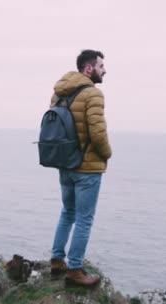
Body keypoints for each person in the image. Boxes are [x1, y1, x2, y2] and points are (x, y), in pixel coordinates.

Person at [49, 49, 112, 287]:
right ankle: (74, 269)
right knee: (84, 219)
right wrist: (107, 154)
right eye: (101, 66)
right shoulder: (93, 94)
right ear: (89, 69)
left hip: (64, 163)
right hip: (87, 168)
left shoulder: (58, 94)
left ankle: (57, 260)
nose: (104, 70)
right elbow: (97, 132)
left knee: (67, 212)